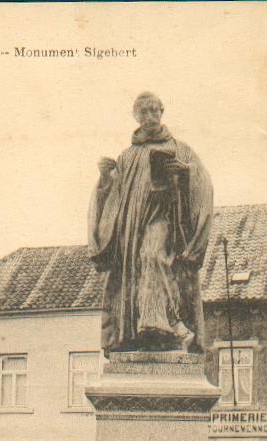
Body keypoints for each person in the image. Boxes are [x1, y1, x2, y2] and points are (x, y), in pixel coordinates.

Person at [88, 92, 213, 355]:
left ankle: (164, 323)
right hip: (132, 229)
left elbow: (203, 185)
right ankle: (143, 331)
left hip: (167, 220)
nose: (150, 117)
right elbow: (111, 199)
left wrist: (186, 172)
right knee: (134, 271)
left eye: (154, 111)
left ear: (162, 112)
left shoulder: (181, 149)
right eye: (143, 113)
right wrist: (104, 179)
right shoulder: (127, 157)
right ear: (136, 117)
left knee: (154, 255)